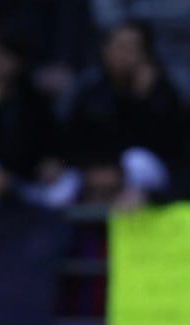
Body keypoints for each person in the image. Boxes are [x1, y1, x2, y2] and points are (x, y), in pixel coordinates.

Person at [64, 19, 185, 206]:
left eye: (132, 47)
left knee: (136, 160)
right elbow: (75, 140)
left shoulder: (162, 93)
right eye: (118, 45)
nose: (125, 54)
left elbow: (170, 149)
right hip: (96, 171)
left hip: (146, 178)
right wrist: (94, 169)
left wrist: (144, 99)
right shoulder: (90, 91)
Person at [0, 28, 76, 207]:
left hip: (25, 175)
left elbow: (54, 143)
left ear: (17, 60)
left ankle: (46, 235)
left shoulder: (32, 97)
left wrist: (54, 162)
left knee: (65, 184)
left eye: (0, 56)